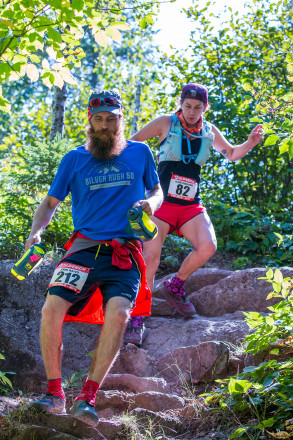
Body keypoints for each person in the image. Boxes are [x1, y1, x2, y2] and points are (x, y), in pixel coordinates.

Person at [26, 90, 163, 427]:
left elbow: (157, 191)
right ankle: (54, 392)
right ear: (89, 120)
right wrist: (36, 231)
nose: (105, 125)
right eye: (99, 119)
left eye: (111, 118)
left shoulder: (140, 153)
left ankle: (87, 397)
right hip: (83, 250)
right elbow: (50, 203)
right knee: (51, 308)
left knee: (118, 315)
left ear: (121, 119)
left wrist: (152, 205)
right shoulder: (74, 159)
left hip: (124, 253)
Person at [124, 82, 264, 345]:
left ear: (205, 107)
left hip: (190, 206)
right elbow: (131, 145)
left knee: (208, 246)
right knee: (151, 258)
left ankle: (175, 284)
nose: (191, 111)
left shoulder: (209, 131)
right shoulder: (165, 123)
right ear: (180, 103)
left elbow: (231, 153)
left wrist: (250, 142)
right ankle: (138, 315)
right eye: (187, 106)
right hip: (160, 204)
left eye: (197, 107)